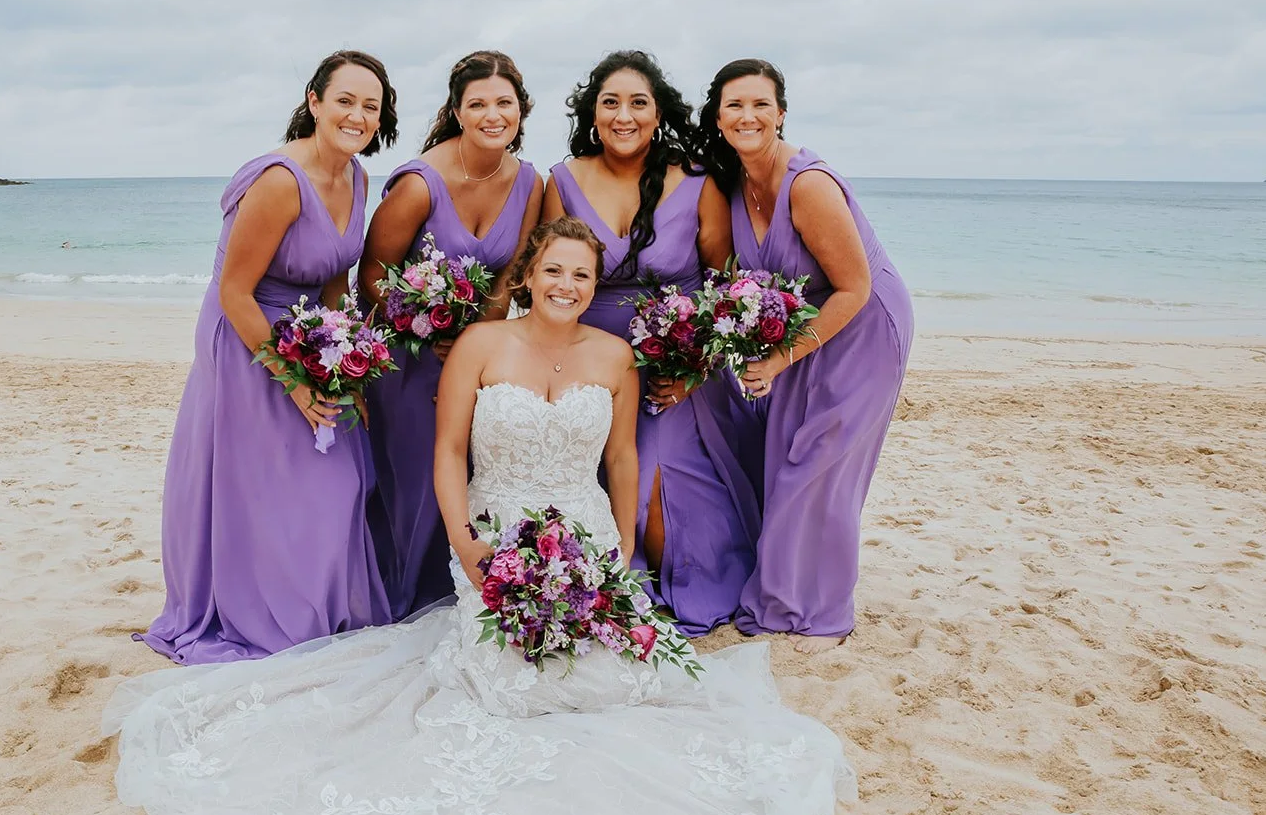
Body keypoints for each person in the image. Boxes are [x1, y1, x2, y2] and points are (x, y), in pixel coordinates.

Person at [103, 217, 855, 815]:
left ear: (597, 287)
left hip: (585, 530)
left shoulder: (616, 354)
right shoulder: (480, 344)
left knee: (615, 676)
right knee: (509, 685)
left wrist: (621, 551)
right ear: (528, 274)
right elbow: (450, 450)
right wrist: (466, 543)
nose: (567, 286)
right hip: (496, 528)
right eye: (555, 271)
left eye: (582, 277)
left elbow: (623, 458)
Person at [137, 51, 397, 664]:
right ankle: (258, 606)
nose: (357, 115)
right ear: (314, 102)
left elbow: (335, 275)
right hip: (249, 336)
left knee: (340, 478)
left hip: (311, 336)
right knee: (270, 481)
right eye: (345, 101)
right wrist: (294, 381)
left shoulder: (358, 178)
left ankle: (319, 602)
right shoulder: (281, 181)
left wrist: (345, 357)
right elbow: (234, 291)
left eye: (371, 106)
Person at [699, 58, 914, 651]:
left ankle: (822, 611)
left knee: (819, 464)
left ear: (781, 113)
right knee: (784, 456)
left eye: (760, 104)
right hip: (803, 325)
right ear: (718, 118)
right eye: (735, 105)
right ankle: (782, 595)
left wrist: (775, 360)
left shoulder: (808, 185)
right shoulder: (736, 184)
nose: (748, 115)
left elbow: (855, 287)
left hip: (863, 326)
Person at [542, 50, 757, 635]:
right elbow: (548, 281)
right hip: (592, 362)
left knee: (658, 507)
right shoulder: (562, 181)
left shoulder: (698, 184)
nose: (624, 115)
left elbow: (725, 288)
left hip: (677, 370)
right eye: (610, 102)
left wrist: (696, 364)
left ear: (657, 112)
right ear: (592, 113)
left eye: (638, 102)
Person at [360, 50, 542, 619]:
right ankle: (399, 601)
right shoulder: (419, 184)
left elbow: (512, 276)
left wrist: (477, 341)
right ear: (458, 111)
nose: (493, 115)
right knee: (414, 479)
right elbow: (370, 275)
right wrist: (419, 320)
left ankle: (454, 596)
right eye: (478, 104)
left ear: (521, 108)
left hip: (478, 356)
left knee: (470, 474)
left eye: (504, 103)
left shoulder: (530, 182)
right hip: (410, 359)